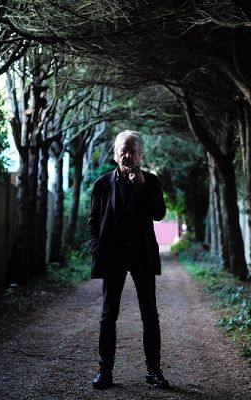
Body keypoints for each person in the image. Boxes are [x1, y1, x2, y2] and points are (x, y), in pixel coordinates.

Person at [86, 130, 169, 390]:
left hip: (142, 255)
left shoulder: (151, 182)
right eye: (123, 149)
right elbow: (92, 223)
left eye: (133, 150)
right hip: (113, 255)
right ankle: (105, 371)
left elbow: (159, 214)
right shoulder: (102, 184)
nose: (127, 154)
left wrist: (140, 185)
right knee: (108, 316)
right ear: (115, 153)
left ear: (140, 155)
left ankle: (153, 371)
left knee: (150, 315)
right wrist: (96, 248)